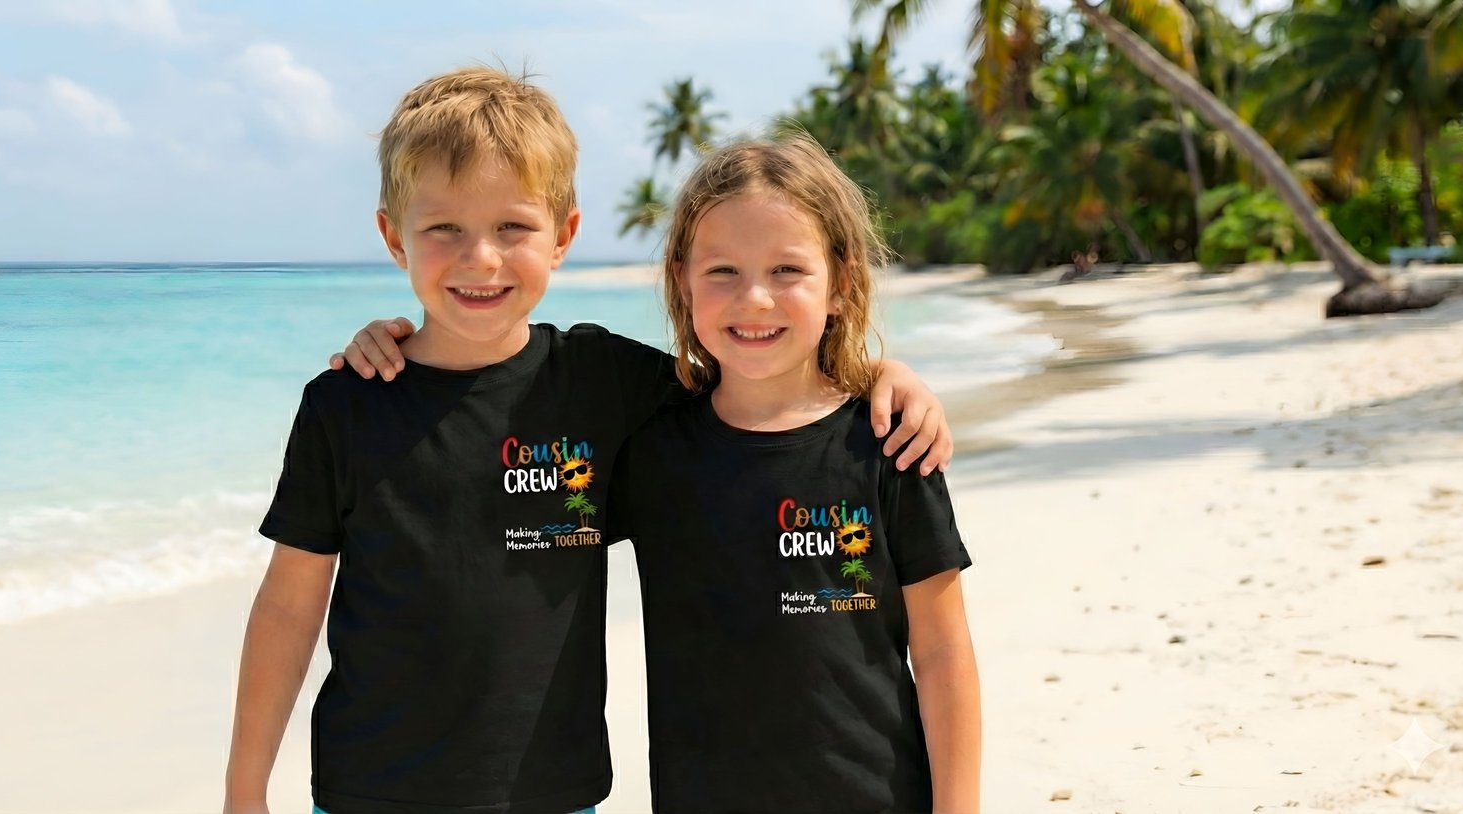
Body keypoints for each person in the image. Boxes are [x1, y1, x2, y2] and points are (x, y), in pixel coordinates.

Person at [228, 66, 954, 814]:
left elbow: (759, 379)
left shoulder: (606, 383)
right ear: (393, 236)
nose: (481, 257)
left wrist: (882, 375)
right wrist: (243, 792)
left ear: (564, 235)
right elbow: (288, 608)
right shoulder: (345, 405)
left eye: (513, 227)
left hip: (556, 793)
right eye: (444, 228)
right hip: (365, 793)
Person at [609, 133, 980, 812]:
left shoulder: (889, 441)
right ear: (682, 278)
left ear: (840, 283)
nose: (755, 299)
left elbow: (942, 653)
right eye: (722, 271)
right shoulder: (649, 451)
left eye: (787, 271)